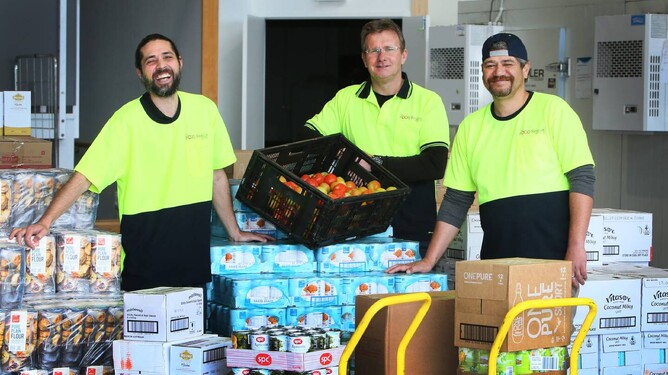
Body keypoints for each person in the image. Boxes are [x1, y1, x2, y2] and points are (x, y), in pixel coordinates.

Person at [10, 33, 272, 291]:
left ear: (180, 62)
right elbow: (85, 176)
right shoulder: (126, 120)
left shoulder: (205, 110)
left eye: (166, 57)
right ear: (140, 73)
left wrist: (234, 232)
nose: (160, 66)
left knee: (194, 332)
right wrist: (45, 222)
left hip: (193, 261)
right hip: (145, 263)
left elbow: (216, 175)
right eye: (151, 61)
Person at [387, 32, 595, 289]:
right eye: (490, 65)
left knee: (549, 330)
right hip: (497, 265)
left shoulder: (554, 110)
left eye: (508, 64)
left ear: (525, 69)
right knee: (497, 331)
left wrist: (577, 246)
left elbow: (582, 178)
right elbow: (456, 201)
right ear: (483, 72)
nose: (499, 72)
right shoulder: (471, 127)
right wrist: (429, 259)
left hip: (553, 262)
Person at [302, 19, 450, 256]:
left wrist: (373, 164)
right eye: (374, 50)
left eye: (389, 49)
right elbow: (309, 137)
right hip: (355, 224)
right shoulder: (346, 98)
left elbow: (434, 164)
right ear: (364, 59)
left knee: (412, 294)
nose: (382, 57)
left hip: (411, 226)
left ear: (403, 55)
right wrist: (344, 159)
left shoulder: (428, 102)